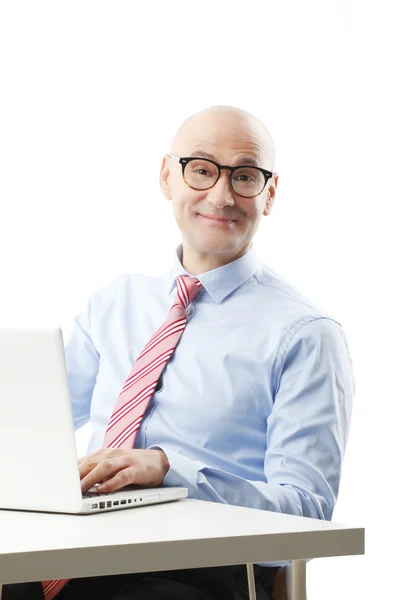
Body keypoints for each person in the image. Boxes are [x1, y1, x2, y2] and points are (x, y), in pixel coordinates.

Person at [2, 105, 355, 600]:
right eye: (202, 169)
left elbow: (307, 513)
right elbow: (25, 427)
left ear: (269, 194)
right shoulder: (116, 302)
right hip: (72, 550)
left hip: (197, 570)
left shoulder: (305, 334)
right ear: (167, 176)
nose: (222, 194)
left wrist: (169, 468)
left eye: (246, 176)